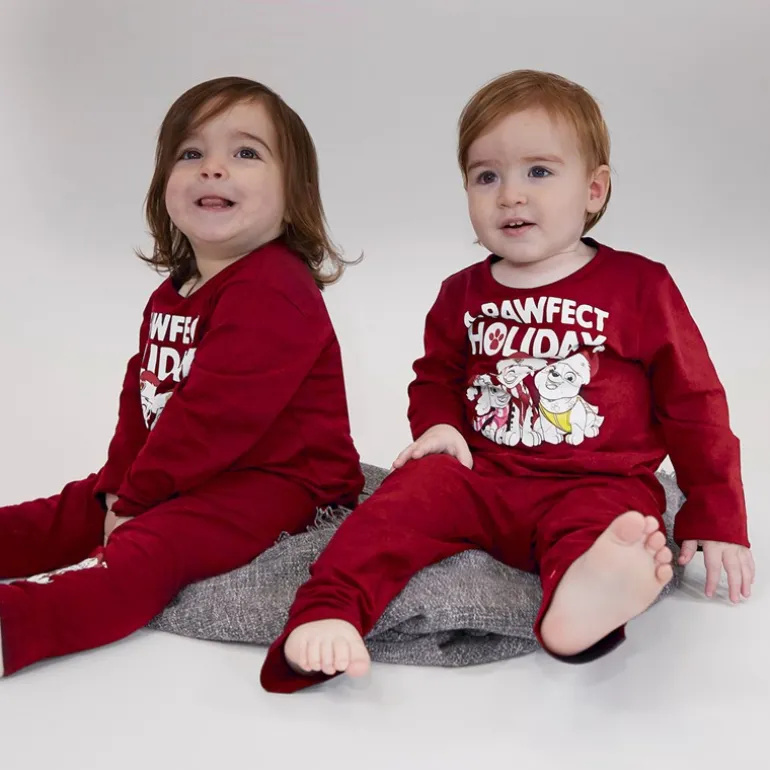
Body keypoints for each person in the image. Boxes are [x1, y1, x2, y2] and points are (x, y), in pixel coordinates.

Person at [260, 69, 754, 693]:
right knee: (396, 506)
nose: (510, 195)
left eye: (539, 172)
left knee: (610, 528)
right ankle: (328, 609)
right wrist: (438, 426)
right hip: (481, 477)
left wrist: (716, 513)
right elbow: (435, 376)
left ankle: (582, 602)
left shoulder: (639, 286)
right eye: (486, 176)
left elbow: (695, 404)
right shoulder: (460, 293)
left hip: (595, 482)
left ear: (594, 189)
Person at [0, 76, 364, 678]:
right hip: (190, 468)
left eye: (245, 152)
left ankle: (21, 624)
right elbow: (142, 397)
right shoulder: (177, 292)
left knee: (154, 548)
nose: (212, 168)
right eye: (191, 153)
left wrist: (140, 501)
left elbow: (215, 416)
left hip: (282, 481)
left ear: (293, 193)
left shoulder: (275, 288)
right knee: (69, 509)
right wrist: (118, 485)